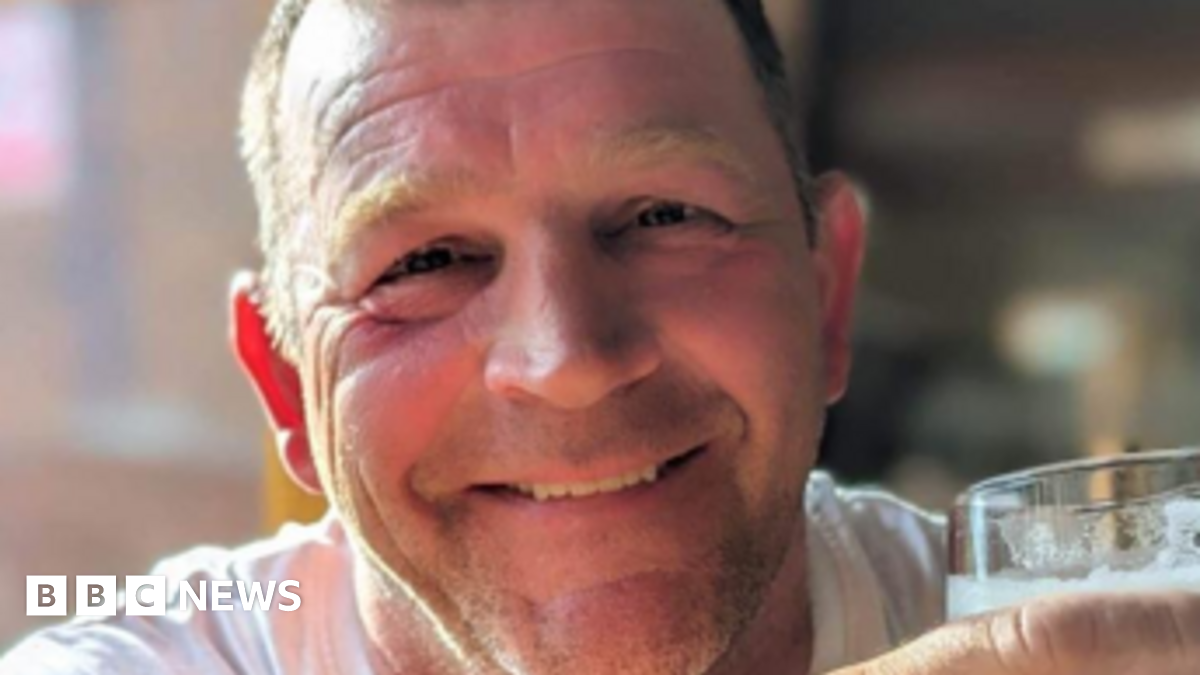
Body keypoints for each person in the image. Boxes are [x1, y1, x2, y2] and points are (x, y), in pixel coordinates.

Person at [5, 0, 1200, 673]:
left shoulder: (1070, 632)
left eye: (665, 216)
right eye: (423, 261)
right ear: (285, 388)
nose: (566, 357)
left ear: (826, 291)